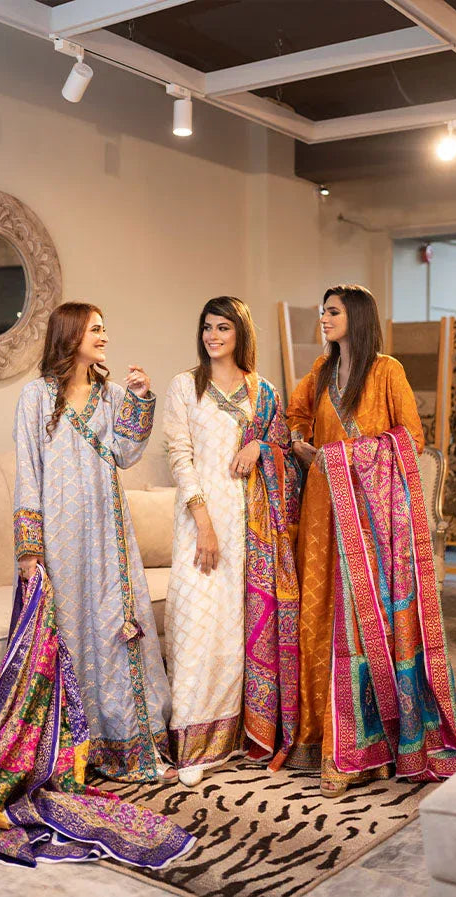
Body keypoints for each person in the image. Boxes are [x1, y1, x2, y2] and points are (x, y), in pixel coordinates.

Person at [287, 284, 456, 797]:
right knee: (319, 616)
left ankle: (367, 748)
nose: (324, 318)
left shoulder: (387, 371)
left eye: (333, 311)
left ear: (357, 316)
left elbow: (410, 438)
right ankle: (319, 735)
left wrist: (346, 457)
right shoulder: (321, 372)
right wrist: (302, 444)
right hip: (323, 510)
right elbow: (297, 416)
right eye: (323, 311)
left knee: (360, 623)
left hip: (371, 522)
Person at [12, 301, 176, 784]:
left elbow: (125, 454)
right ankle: (72, 748)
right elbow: (28, 471)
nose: (104, 337)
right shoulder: (35, 397)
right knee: (70, 631)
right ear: (70, 336)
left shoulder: (112, 395)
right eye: (95, 330)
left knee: (114, 627)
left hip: (108, 531)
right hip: (60, 535)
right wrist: (29, 547)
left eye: (104, 328)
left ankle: (126, 743)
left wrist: (140, 400)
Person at [163, 296, 300, 787]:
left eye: (223, 327)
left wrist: (260, 445)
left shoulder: (263, 392)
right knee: (195, 629)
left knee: (234, 633)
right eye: (207, 327)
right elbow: (179, 456)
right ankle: (190, 745)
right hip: (200, 524)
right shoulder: (186, 385)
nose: (213, 336)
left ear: (240, 332)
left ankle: (233, 739)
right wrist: (202, 522)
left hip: (251, 530)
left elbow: (287, 453)